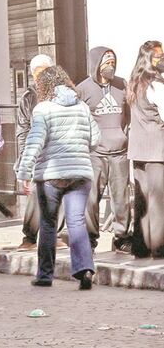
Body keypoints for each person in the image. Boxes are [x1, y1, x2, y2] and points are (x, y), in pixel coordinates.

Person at [16, 65, 99, 289]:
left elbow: (34, 142)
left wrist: (24, 172)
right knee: (76, 221)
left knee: (48, 224)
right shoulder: (82, 107)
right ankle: (85, 269)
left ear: (43, 86)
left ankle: (44, 275)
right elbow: (95, 139)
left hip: (51, 175)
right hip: (81, 172)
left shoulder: (42, 109)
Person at [76, 46, 131, 253]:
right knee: (91, 199)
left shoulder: (122, 85)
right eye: (107, 62)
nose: (111, 66)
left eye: (113, 62)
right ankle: (90, 239)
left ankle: (121, 238)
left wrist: (123, 136)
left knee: (121, 199)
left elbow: (128, 114)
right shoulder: (82, 89)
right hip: (95, 154)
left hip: (120, 152)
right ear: (97, 64)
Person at [127, 40, 164, 258]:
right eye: (158, 56)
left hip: (138, 148)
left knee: (141, 200)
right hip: (157, 148)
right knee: (158, 200)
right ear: (148, 59)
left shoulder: (134, 82)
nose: (161, 59)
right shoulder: (156, 85)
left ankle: (140, 246)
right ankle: (159, 247)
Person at [15, 54, 55, 251]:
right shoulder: (29, 98)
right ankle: (30, 236)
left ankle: (57, 235)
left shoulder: (61, 93)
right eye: (37, 72)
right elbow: (23, 130)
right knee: (35, 194)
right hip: (37, 153)